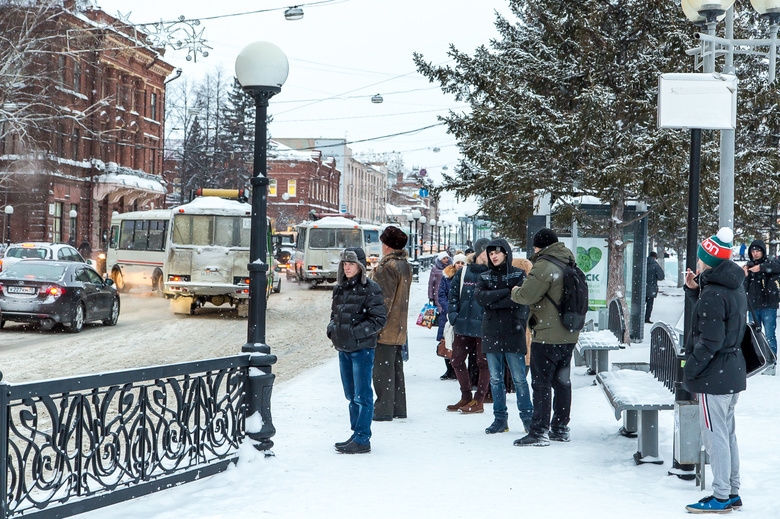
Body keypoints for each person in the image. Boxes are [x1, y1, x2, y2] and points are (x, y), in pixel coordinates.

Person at [683, 227, 746, 513]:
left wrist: (691, 369)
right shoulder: (732, 285)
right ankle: (731, 491)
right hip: (731, 370)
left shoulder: (713, 292)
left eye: (700, 259)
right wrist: (695, 291)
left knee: (715, 436)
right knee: (727, 433)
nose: (697, 264)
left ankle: (720, 496)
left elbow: (709, 338)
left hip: (714, 374)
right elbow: (719, 321)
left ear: (708, 260)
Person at [510, 228, 580, 446]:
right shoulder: (569, 263)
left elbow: (526, 295)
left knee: (541, 383)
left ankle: (539, 431)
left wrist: (514, 290)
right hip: (569, 333)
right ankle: (560, 427)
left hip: (547, 334)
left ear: (538, 246)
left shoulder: (544, 265)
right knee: (562, 382)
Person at [327, 247, 387, 454]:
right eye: (344, 264)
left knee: (362, 395)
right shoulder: (340, 288)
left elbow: (379, 319)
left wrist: (355, 333)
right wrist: (332, 330)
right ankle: (355, 434)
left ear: (360, 266)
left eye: (351, 264)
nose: (347, 267)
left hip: (362, 349)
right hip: (343, 348)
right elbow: (334, 314)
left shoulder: (371, 288)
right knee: (351, 395)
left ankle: (363, 438)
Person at [474, 239, 533, 434]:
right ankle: (500, 419)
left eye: (498, 252)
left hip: (513, 331)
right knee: (496, 379)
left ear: (506, 253)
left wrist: (495, 299)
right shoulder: (485, 276)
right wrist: (506, 292)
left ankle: (528, 418)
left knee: (519, 379)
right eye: (491, 253)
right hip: (491, 332)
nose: (494, 256)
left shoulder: (519, 274)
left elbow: (519, 301)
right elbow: (481, 299)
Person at [371, 226, 413, 421]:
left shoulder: (387, 267)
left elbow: (383, 301)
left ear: (387, 245)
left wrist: (375, 325)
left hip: (386, 328)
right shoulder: (404, 264)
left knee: (382, 370)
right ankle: (398, 408)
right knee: (395, 369)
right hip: (399, 326)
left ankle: (383, 410)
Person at [446, 238, 491, 414]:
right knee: (456, 359)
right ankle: (466, 396)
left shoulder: (493, 274)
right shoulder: (463, 272)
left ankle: (479, 400)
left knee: (483, 363)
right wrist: (454, 315)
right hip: (463, 324)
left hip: (483, 326)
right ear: (478, 252)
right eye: (487, 251)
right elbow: (453, 296)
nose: (490, 255)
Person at [743, 238, 780, 375]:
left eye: (758, 250)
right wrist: (745, 274)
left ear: (763, 252)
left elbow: (777, 267)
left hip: (768, 305)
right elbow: (744, 287)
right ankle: (756, 361)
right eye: (753, 251)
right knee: (753, 335)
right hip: (752, 307)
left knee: (769, 334)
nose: (755, 253)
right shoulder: (749, 265)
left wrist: (761, 268)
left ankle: (771, 362)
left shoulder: (770, 263)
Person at [438, 253, 467, 379]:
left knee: (459, 343)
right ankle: (448, 369)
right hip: (447, 315)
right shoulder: (446, 277)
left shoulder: (467, 277)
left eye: (462, 263)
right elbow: (441, 295)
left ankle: (457, 369)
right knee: (446, 341)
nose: (460, 265)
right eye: (458, 262)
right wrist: (449, 308)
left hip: (462, 314)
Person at [429, 251, 452, 378]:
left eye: (447, 258)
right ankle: (449, 369)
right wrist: (431, 297)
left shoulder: (452, 272)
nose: (445, 260)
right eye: (443, 258)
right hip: (441, 302)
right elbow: (431, 284)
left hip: (446, 303)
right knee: (445, 338)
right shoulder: (436, 270)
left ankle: (453, 369)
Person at [645, 251, 665, 324]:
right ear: (655, 257)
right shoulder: (655, 265)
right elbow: (661, 277)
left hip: (642, 288)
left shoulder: (643, 262)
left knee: (641, 303)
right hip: (651, 288)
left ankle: (638, 318)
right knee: (649, 305)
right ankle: (647, 318)